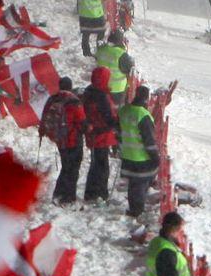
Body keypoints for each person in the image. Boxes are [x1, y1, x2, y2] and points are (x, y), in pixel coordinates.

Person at [39, 75, 86, 204]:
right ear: (70, 87)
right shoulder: (74, 101)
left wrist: (44, 132)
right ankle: (68, 197)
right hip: (73, 140)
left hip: (60, 140)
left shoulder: (52, 99)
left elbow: (44, 117)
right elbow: (82, 123)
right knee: (72, 169)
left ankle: (59, 193)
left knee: (66, 166)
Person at [118, 86, 162, 219]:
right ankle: (136, 211)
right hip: (141, 158)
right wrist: (155, 157)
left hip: (127, 155)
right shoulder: (143, 115)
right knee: (140, 186)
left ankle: (134, 208)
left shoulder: (124, 111)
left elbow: (118, 131)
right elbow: (149, 141)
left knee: (133, 185)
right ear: (146, 99)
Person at [82, 66, 119, 204]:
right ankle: (100, 193)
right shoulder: (101, 95)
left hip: (92, 133)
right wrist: (117, 123)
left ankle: (90, 193)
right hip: (101, 134)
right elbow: (108, 117)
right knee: (102, 166)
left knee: (95, 164)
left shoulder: (89, 91)